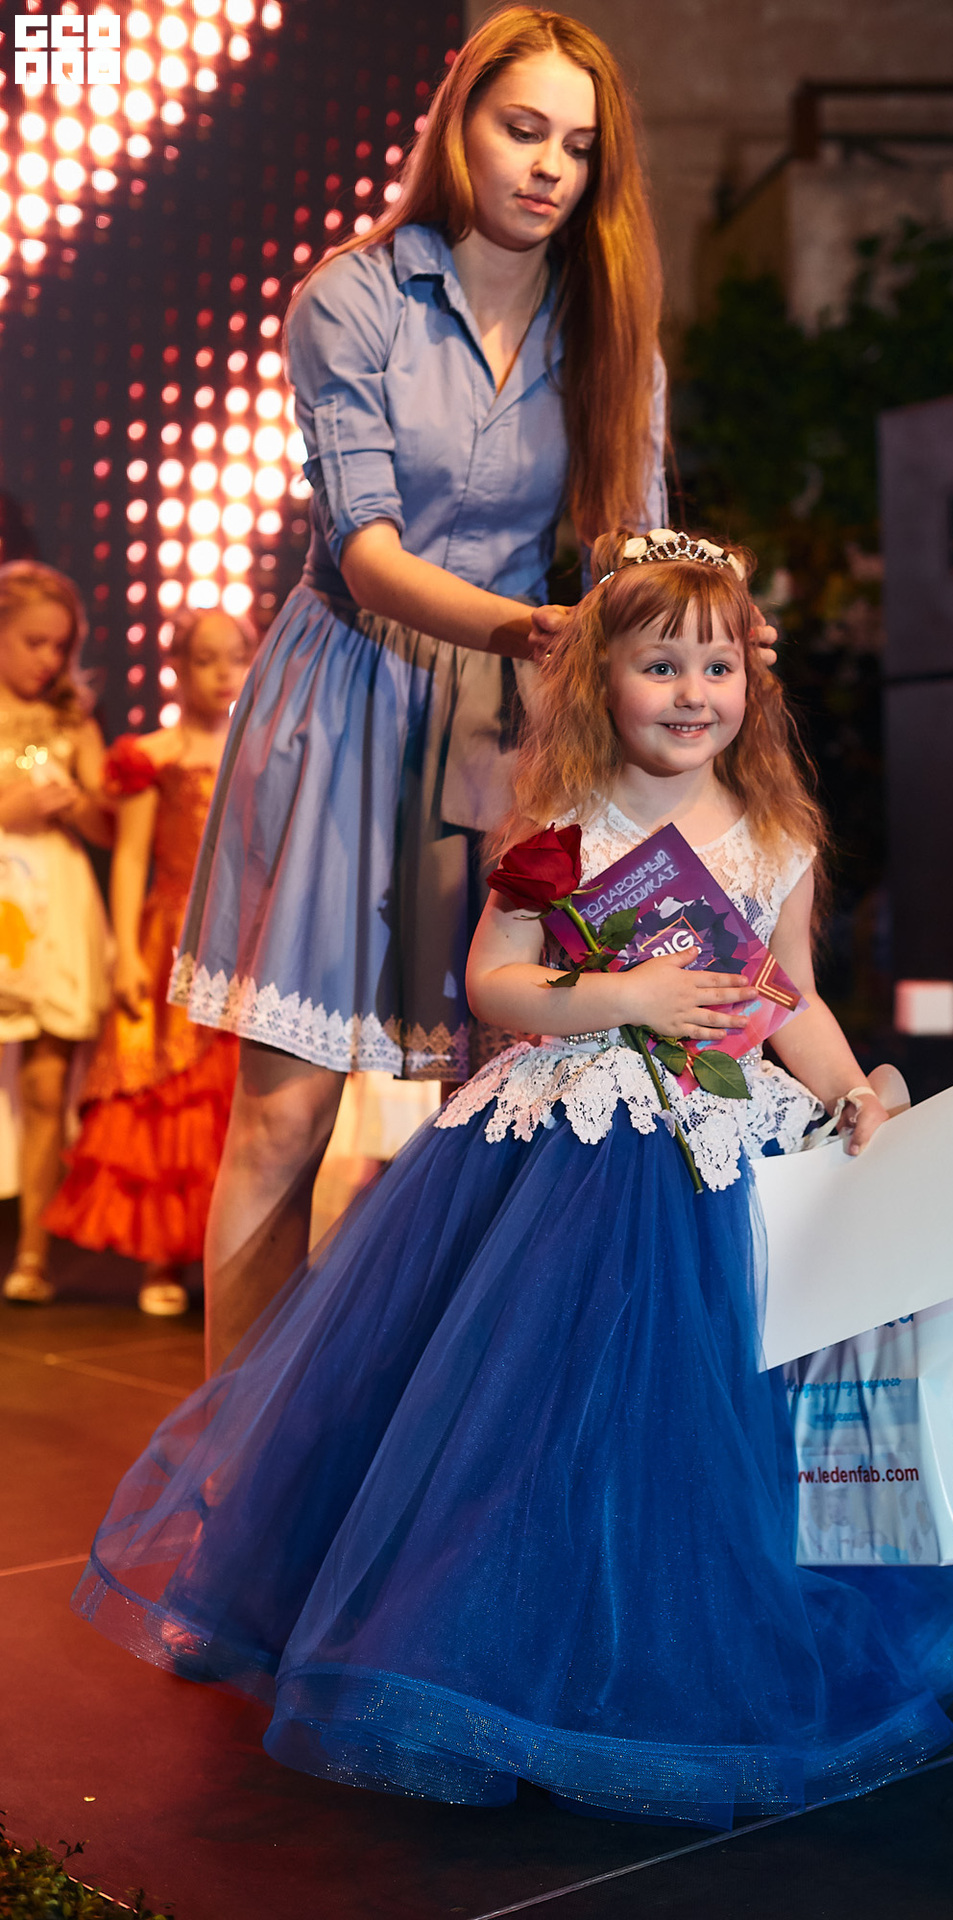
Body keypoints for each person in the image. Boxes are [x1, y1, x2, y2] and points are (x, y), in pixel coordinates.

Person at [73, 531, 953, 1829]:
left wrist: (853, 1089)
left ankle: (663, 1643)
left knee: (699, 1425)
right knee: (534, 1406)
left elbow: (786, 994)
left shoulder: (775, 833)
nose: (692, 693)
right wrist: (626, 996)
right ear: (599, 679)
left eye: (717, 666)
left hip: (720, 1150)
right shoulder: (564, 826)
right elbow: (493, 981)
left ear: (752, 680)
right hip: (567, 1145)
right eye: (659, 665)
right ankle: (482, 1649)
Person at [170, 6, 698, 1373]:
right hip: (351, 695)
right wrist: (542, 630)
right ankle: (234, 1469)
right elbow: (368, 552)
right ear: (457, 123)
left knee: (508, 1103)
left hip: (517, 733)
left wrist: (695, 624)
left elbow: (634, 554)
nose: (548, 167)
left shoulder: (613, 335)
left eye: (577, 146)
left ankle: (443, 1459)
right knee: (287, 1114)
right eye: (522, 129)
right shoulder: (352, 297)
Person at [43, 611, 253, 1317]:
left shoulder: (258, 753)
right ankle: (163, 1259)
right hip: (173, 933)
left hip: (241, 938)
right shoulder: (151, 757)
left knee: (233, 1100)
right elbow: (131, 858)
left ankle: (232, 1261)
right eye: (205, 659)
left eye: (235, 658)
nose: (221, 673)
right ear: (178, 668)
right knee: (172, 1095)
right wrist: (127, 954)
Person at [0, 561, 112, 1305]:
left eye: (59, 646)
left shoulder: (75, 722)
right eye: (33, 642)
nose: (47, 659)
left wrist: (74, 805)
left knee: (46, 1084)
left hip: (54, 910)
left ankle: (32, 1253)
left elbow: (110, 824)